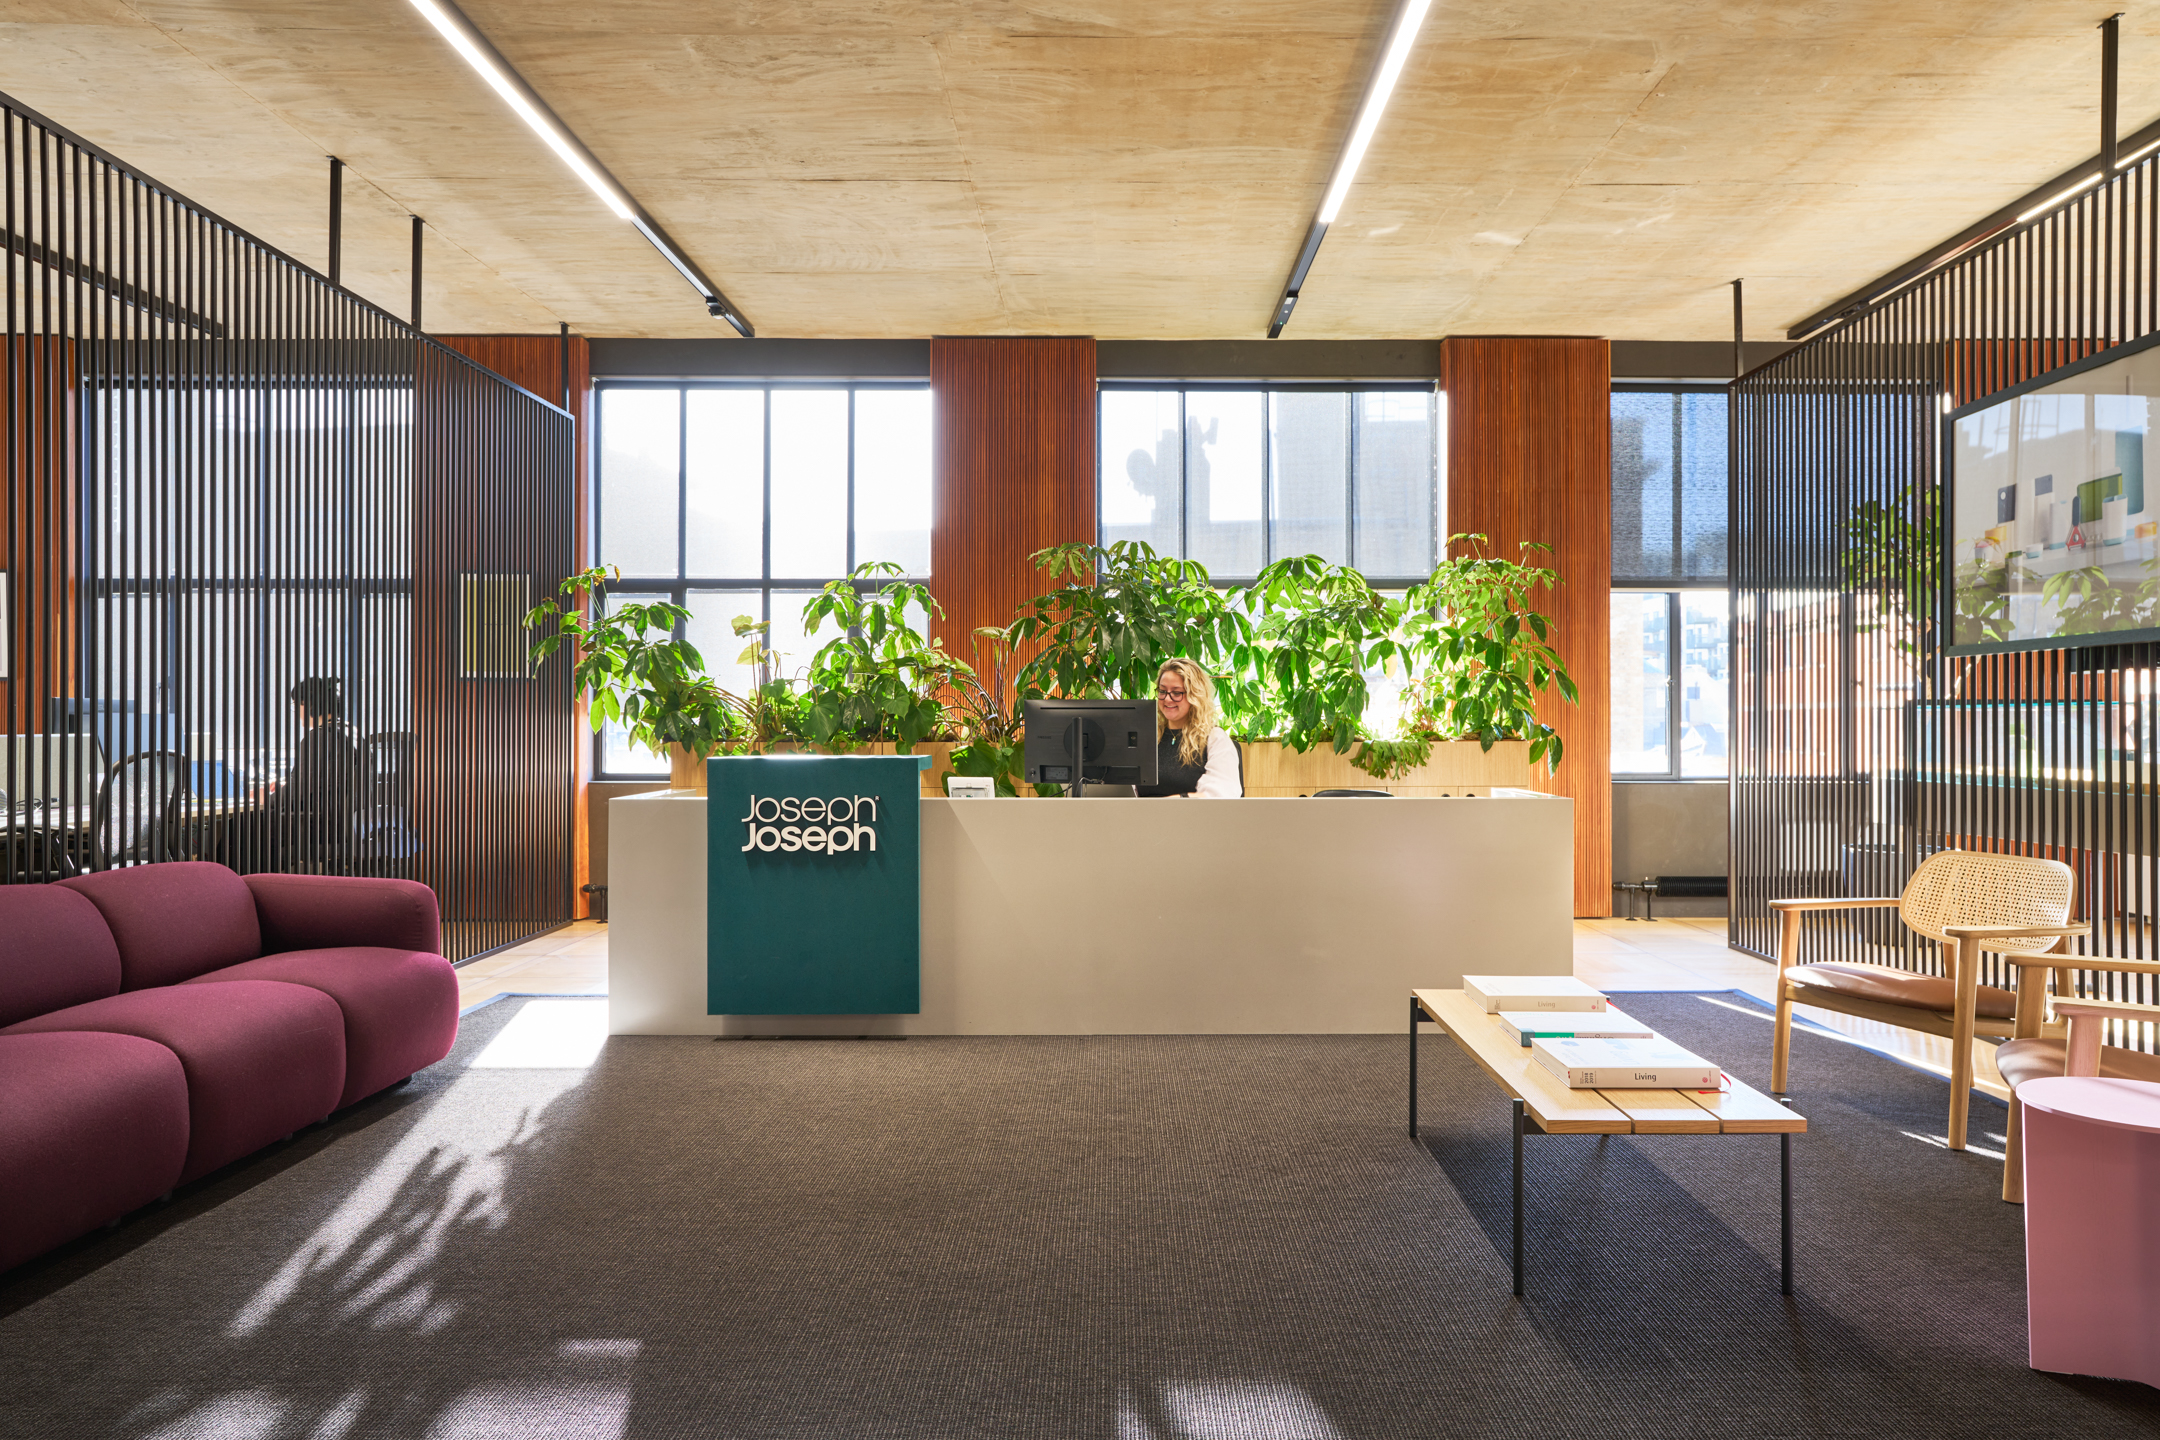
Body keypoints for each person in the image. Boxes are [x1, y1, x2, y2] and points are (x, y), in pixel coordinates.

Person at [1135, 658, 1242, 798]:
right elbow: (1128, 790)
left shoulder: (1214, 738)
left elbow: (1221, 793)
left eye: (1176, 692)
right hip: (1142, 812)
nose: (1167, 699)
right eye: (1162, 691)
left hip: (1190, 812)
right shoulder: (1148, 737)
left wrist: (1175, 801)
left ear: (1194, 695)